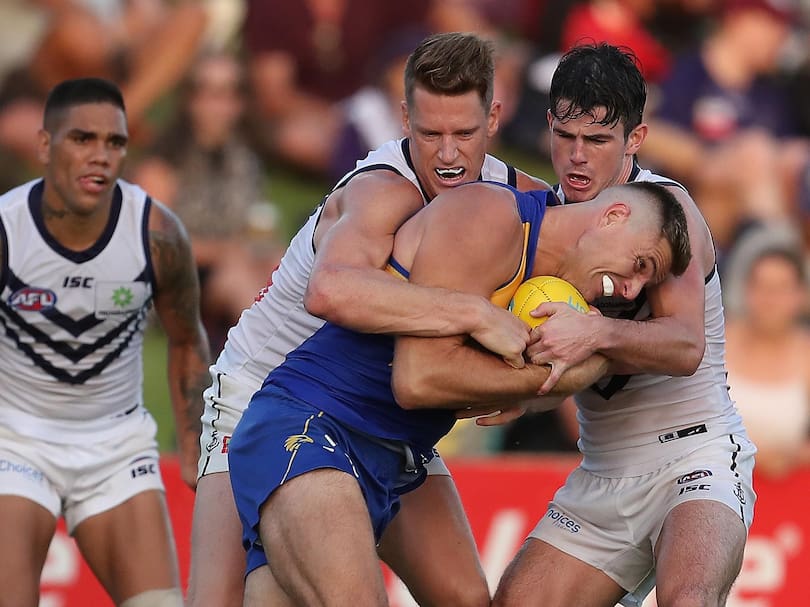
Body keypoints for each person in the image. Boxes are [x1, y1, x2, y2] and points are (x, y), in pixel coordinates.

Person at [187, 32, 550, 607]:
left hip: (382, 417)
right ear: (404, 117)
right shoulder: (379, 189)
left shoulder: (521, 196)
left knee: (465, 599)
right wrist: (475, 314)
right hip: (261, 400)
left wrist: (525, 380)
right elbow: (330, 290)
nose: (449, 155)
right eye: (430, 134)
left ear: (495, 116)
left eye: (464, 133)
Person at [228, 179, 691, 606]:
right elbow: (417, 381)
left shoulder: (560, 290)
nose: (630, 290)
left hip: (398, 453)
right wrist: (554, 376)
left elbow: (501, 386)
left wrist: (576, 356)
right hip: (316, 422)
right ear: (612, 217)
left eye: (644, 285)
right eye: (640, 266)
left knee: (466, 599)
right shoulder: (490, 214)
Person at [487, 43, 756, 607]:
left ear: (635, 139)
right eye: (566, 136)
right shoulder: (546, 223)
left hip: (697, 456)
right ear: (548, 127)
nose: (577, 157)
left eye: (599, 140)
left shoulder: (666, 210)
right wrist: (515, 390)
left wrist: (595, 332)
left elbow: (685, 345)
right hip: (604, 471)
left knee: (687, 599)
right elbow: (558, 366)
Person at [0, 78, 210, 606]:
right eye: (82, 139)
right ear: (45, 145)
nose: (100, 156)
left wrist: (192, 448)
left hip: (116, 449)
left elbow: (187, 340)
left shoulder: (157, 233)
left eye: (114, 143)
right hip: (14, 442)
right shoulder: (6, 230)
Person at [724, 226, 810, 479]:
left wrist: (794, 456)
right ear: (746, 290)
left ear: (800, 296)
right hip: (722, 479)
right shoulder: (718, 343)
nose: (770, 299)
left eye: (781, 289)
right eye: (762, 287)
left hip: (790, 485)